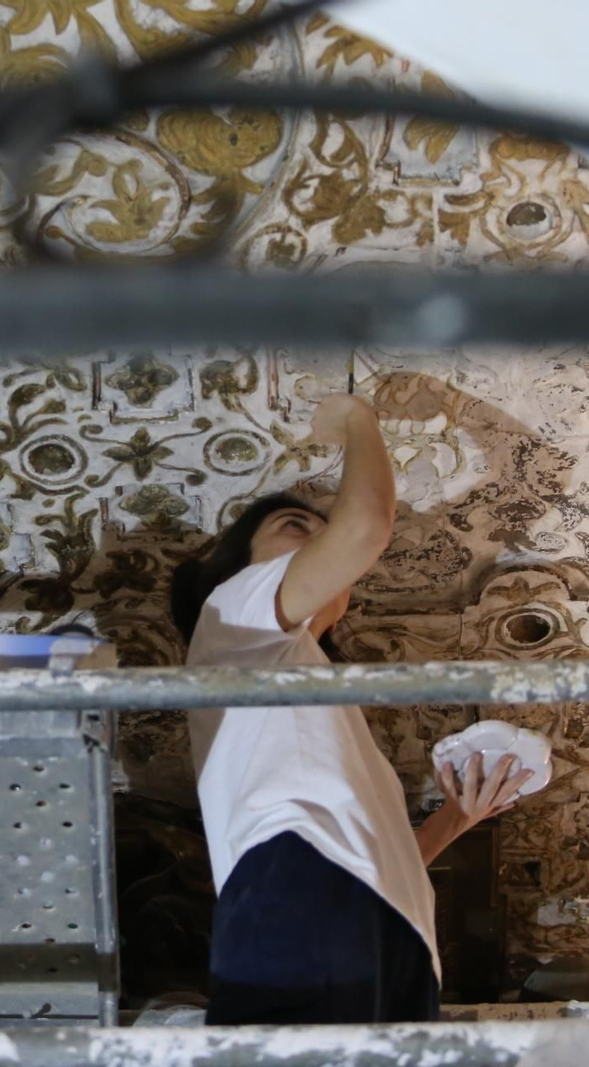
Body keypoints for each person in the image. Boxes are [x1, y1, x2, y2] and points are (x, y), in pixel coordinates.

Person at [170, 393, 538, 1026]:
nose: (321, 540)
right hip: (295, 881)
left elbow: (364, 850)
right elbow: (364, 528)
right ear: (231, 568)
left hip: (391, 927)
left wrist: (456, 818)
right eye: (294, 525)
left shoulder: (303, 688)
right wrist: (356, 420)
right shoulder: (232, 613)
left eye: (321, 531)